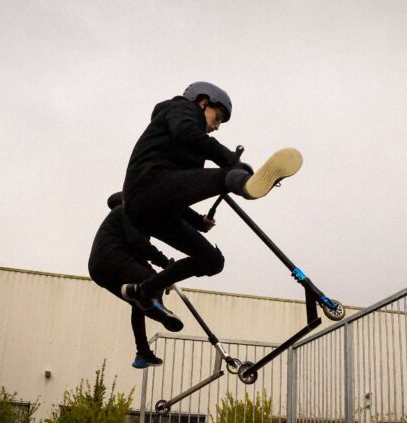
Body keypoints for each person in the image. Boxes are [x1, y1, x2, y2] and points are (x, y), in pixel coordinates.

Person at [120, 81, 301, 321]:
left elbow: (178, 190)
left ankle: (144, 290)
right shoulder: (180, 108)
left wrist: (197, 221)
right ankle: (244, 184)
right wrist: (231, 164)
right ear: (203, 102)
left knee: (212, 261)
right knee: (225, 176)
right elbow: (186, 134)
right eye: (217, 118)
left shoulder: (187, 147)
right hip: (147, 186)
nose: (216, 127)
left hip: (154, 210)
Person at [88, 192, 182, 368]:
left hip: (99, 269)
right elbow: (139, 244)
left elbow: (139, 257)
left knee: (138, 301)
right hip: (112, 260)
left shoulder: (117, 222)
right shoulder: (125, 212)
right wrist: (166, 265)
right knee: (152, 283)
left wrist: (164, 272)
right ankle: (156, 305)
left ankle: (143, 353)